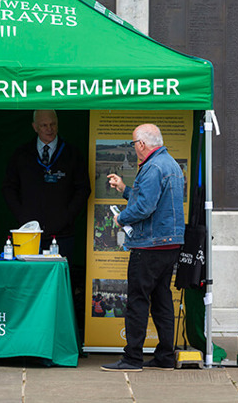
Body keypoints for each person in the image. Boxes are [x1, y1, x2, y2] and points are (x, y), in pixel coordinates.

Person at [101, 123, 185, 372]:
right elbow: (153, 201)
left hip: (149, 245)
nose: (134, 148)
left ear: (141, 144)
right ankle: (165, 356)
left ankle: (132, 358)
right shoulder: (170, 164)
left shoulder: (152, 167)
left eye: (133, 143)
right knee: (162, 299)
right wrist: (125, 189)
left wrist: (122, 218)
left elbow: (144, 208)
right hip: (169, 244)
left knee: (137, 301)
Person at [2, 110, 91, 257]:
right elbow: (8, 188)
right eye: (44, 125)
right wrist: (22, 215)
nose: (49, 129)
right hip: (29, 233)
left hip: (62, 235)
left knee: (58, 277)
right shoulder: (21, 154)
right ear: (35, 127)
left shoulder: (72, 153)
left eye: (53, 124)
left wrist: (67, 216)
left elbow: (83, 189)